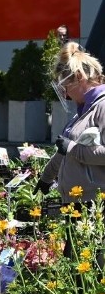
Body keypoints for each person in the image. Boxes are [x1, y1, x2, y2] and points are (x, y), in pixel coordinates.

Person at [38, 42, 105, 205]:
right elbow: (64, 153)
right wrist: (46, 178)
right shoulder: (82, 112)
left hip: (95, 205)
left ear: (80, 77)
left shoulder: (102, 106)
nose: (66, 94)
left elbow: (71, 149)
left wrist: (72, 147)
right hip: (76, 202)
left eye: (66, 87)